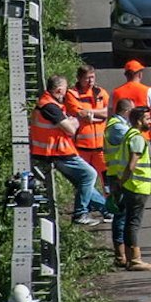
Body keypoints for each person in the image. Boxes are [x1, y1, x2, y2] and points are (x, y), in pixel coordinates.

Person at [30, 75, 102, 226]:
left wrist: (71, 120)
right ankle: (80, 213)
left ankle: (110, 210)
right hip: (58, 153)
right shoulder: (50, 107)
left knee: (83, 182)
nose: (66, 94)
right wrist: (76, 121)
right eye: (64, 90)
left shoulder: (48, 104)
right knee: (89, 175)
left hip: (55, 152)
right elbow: (69, 129)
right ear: (59, 90)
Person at [102, 105, 151, 271]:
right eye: (147, 119)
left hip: (132, 185)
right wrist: (122, 181)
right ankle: (135, 260)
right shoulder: (137, 138)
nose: (150, 122)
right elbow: (132, 164)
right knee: (133, 223)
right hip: (137, 186)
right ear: (139, 121)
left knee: (128, 223)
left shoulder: (129, 135)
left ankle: (128, 257)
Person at [64, 66, 113, 217]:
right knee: (84, 181)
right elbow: (79, 113)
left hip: (100, 147)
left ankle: (109, 208)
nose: (91, 81)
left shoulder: (100, 93)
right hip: (81, 147)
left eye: (92, 77)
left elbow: (108, 112)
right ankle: (94, 207)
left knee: (108, 182)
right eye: (87, 78)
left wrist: (91, 114)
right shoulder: (72, 94)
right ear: (79, 78)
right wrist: (96, 115)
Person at [103, 97, 138, 266]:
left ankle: (124, 253)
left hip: (120, 174)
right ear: (126, 112)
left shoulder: (119, 125)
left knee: (123, 213)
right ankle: (120, 255)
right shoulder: (117, 127)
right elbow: (134, 141)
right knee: (121, 214)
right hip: (117, 176)